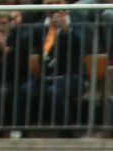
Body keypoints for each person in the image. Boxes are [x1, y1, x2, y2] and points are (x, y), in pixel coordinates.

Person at [16, 1, 88, 133]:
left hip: (73, 77)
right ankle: (19, 134)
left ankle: (66, 135)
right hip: (46, 77)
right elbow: (24, 41)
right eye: (49, 3)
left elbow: (84, 43)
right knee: (25, 90)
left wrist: (66, 29)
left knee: (54, 91)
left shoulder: (78, 22)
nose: (54, 7)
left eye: (57, 3)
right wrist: (16, 26)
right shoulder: (41, 26)